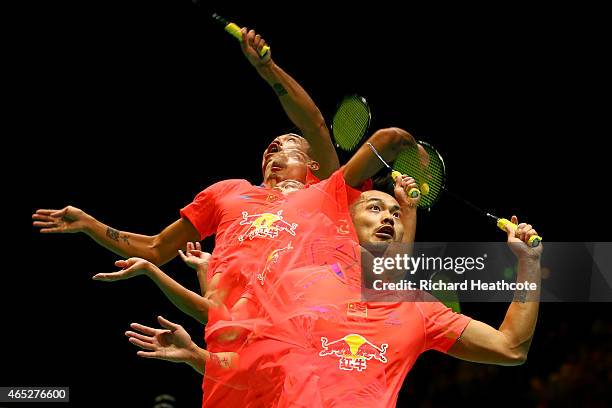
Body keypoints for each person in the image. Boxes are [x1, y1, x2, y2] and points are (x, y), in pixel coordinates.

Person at [125, 186, 542, 407]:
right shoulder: (295, 281)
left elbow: (511, 348)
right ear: (344, 224)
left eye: (395, 214)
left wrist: (528, 264)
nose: (389, 219)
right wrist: (199, 354)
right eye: (375, 209)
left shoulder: (419, 305)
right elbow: (249, 366)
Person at [31, 27, 339, 268]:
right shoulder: (228, 192)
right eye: (271, 146)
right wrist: (90, 224)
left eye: (290, 143)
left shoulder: (327, 189)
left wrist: (267, 68)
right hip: (241, 325)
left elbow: (315, 125)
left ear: (314, 164)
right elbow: (157, 248)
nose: (274, 147)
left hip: (309, 312)